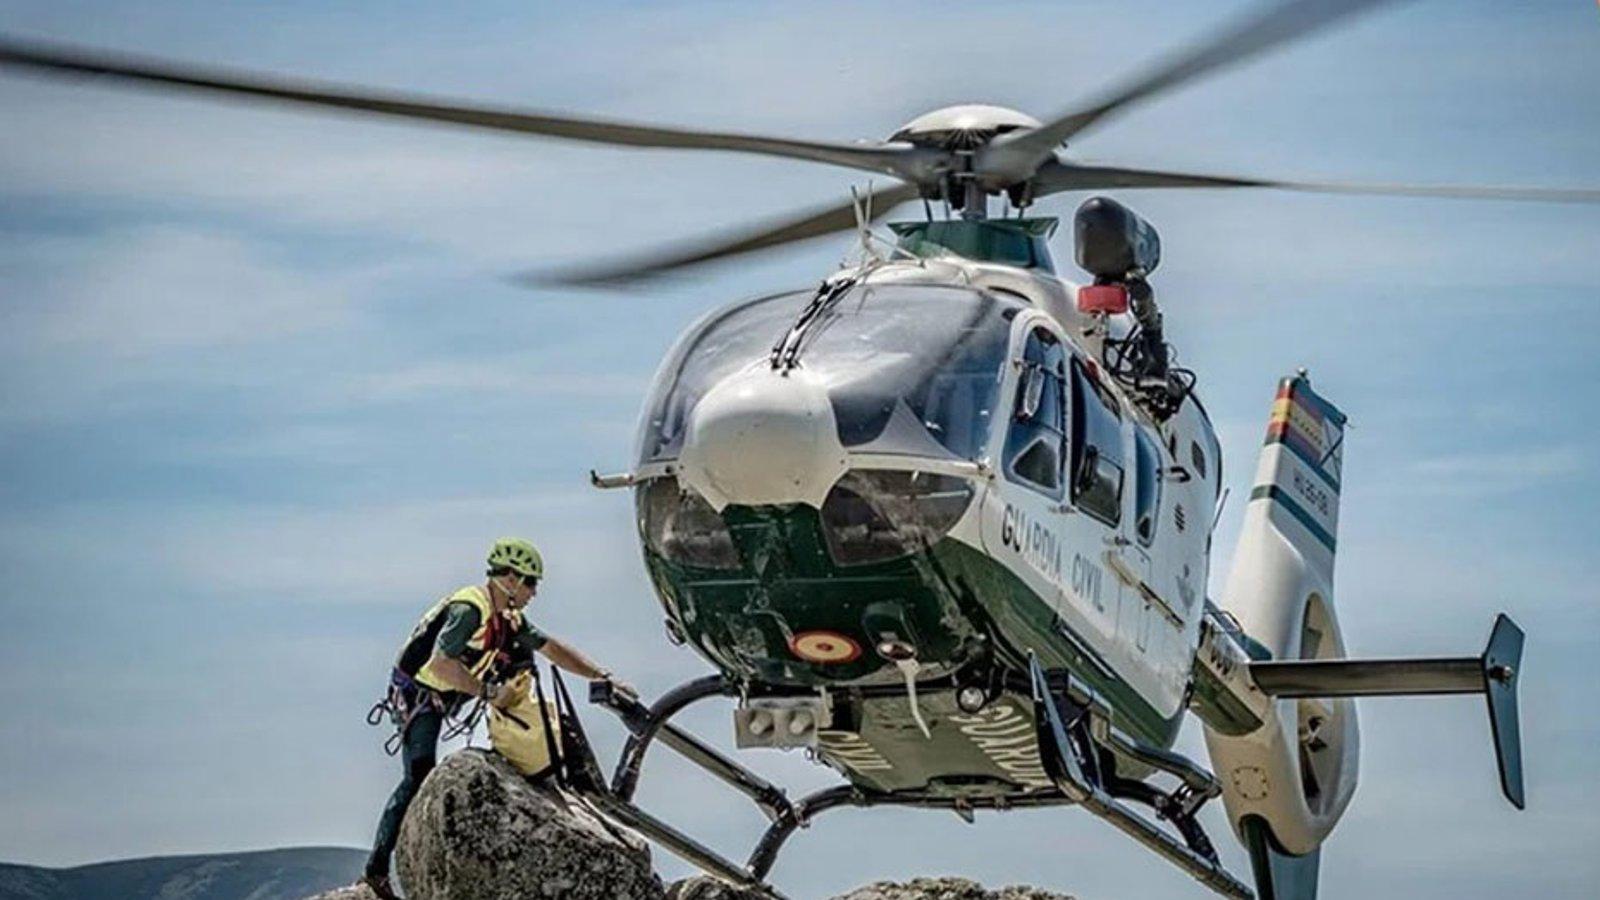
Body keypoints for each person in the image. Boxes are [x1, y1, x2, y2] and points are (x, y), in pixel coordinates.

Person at [361, 537, 624, 900]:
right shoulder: (470, 609)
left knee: (519, 662)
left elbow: (551, 648)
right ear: (510, 579)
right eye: (531, 582)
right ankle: (375, 871)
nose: (534, 591)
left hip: (446, 691)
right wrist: (486, 692)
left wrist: (600, 675)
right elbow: (441, 663)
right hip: (418, 695)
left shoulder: (508, 619)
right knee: (417, 775)